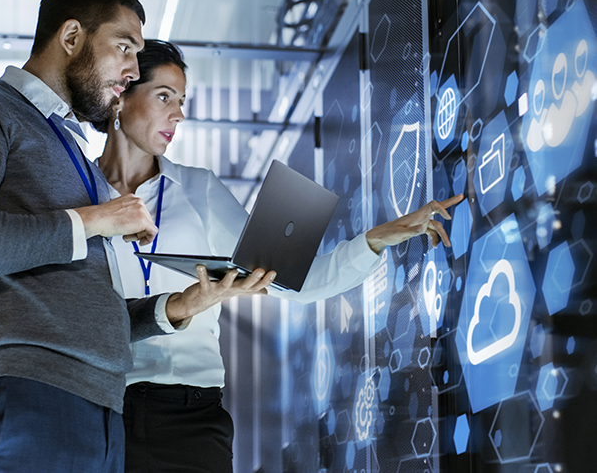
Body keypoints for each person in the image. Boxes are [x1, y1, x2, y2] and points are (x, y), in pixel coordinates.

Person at [0, 0, 274, 472]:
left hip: (104, 410)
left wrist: (180, 306)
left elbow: (92, 312)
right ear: (71, 38)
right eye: (124, 47)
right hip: (34, 395)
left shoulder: (75, 155)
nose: (132, 70)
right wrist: (99, 218)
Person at [93, 39, 463, 473]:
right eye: (164, 97)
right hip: (100, 408)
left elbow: (294, 283)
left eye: (182, 101)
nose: (178, 114)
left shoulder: (200, 190)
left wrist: (377, 239)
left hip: (190, 417)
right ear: (122, 95)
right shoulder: (79, 196)